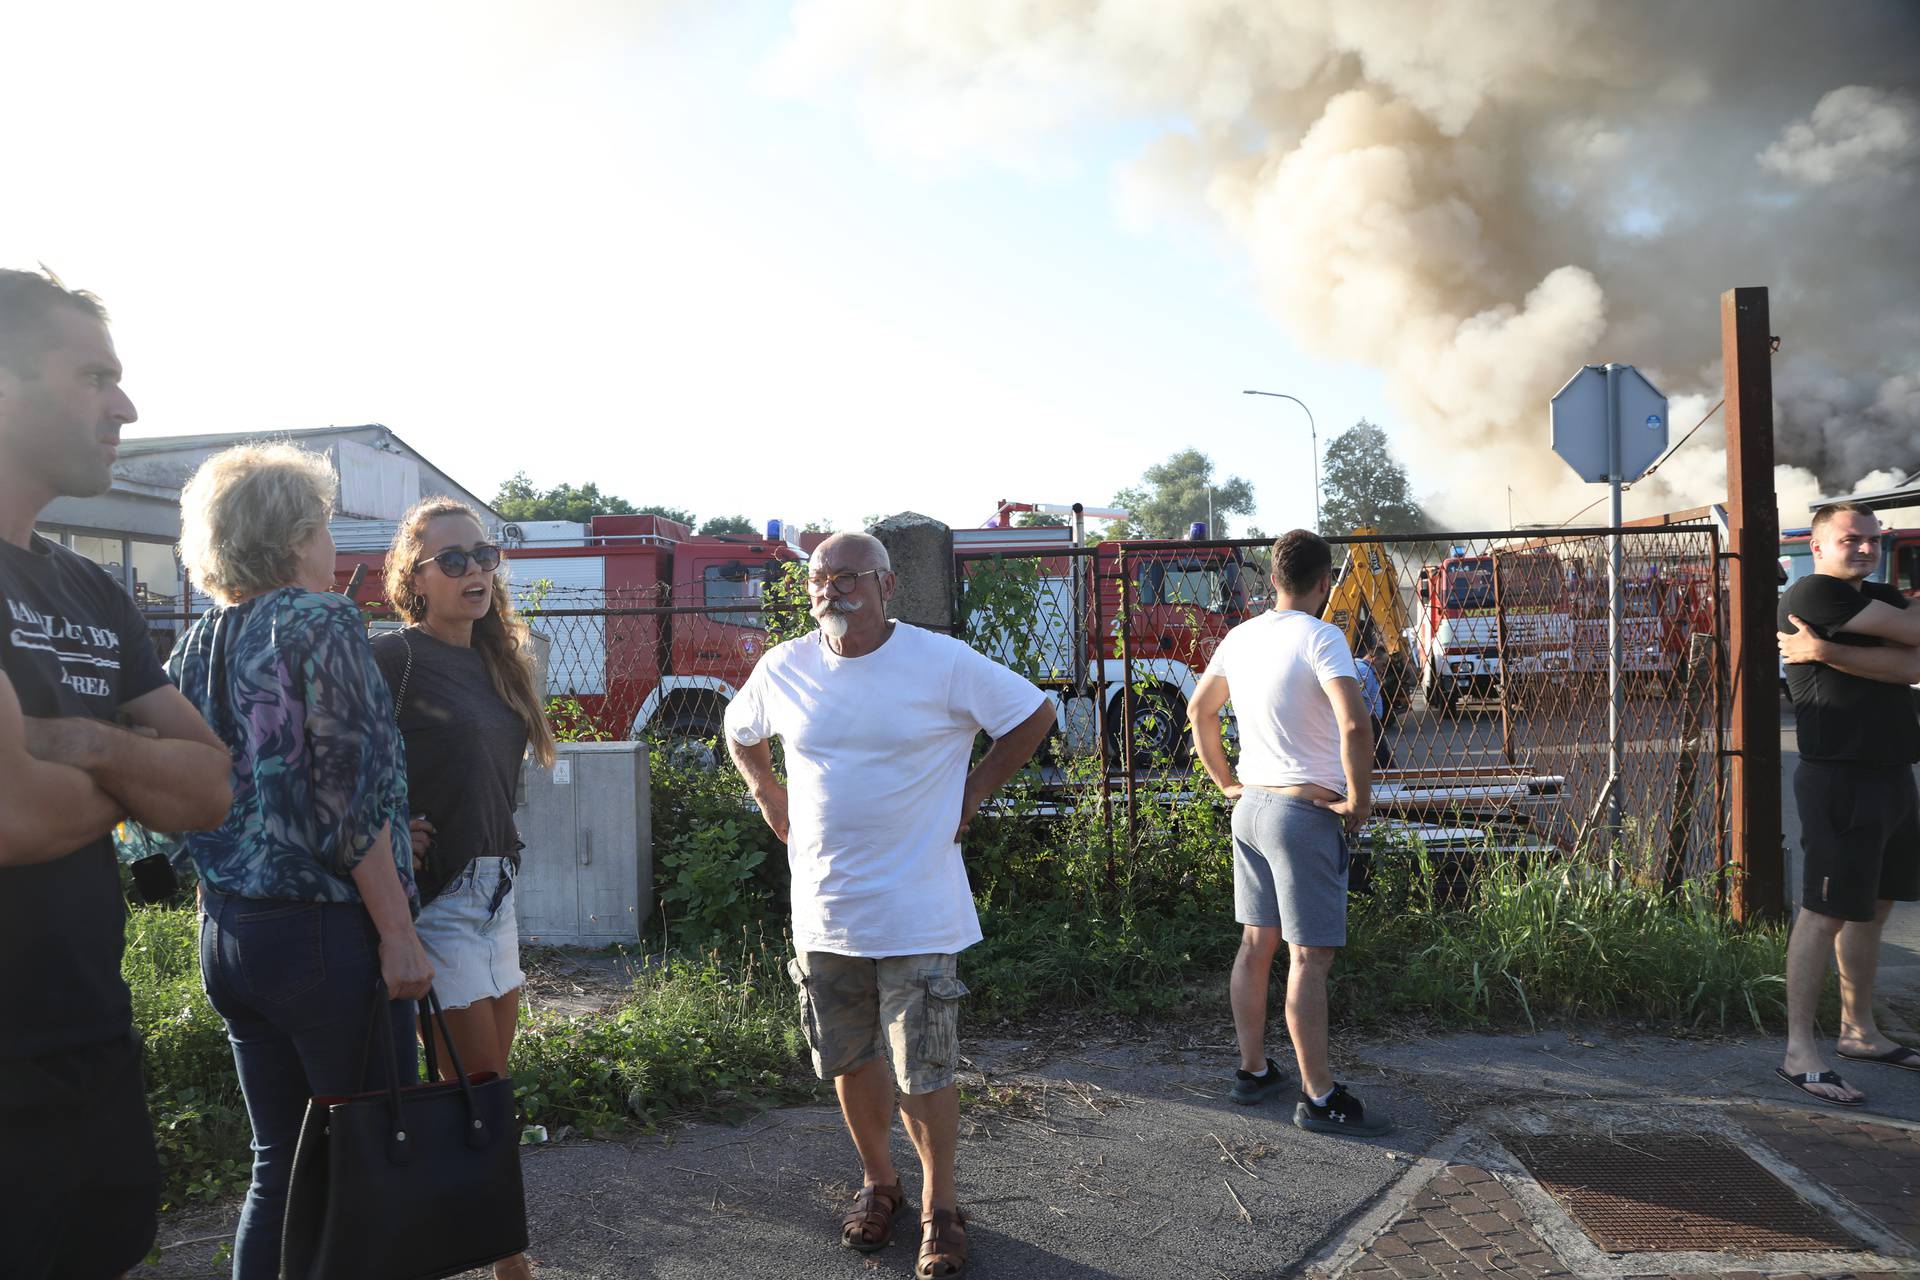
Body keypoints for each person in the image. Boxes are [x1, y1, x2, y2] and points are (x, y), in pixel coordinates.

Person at [724, 532, 1053, 1279]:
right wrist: (766, 793)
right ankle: (881, 1183)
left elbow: (1032, 715)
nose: (831, 590)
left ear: (886, 585)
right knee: (848, 1056)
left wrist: (972, 794)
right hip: (825, 908)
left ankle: (941, 1209)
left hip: (918, 907)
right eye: (819, 578)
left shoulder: (939, 662)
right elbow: (738, 731)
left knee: (924, 1069)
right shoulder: (786, 667)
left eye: (848, 578)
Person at [0, 268, 233, 1279]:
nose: (126, 406)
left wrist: (82, 742)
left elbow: (213, 786)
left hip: (87, 1042)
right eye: (96, 374)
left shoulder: (90, 587)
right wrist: (138, 775)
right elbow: (10, 811)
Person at [166, 444, 432, 1280]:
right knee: (371, 1160)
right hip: (326, 937)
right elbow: (346, 797)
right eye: (322, 527)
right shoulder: (319, 620)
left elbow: (177, 791)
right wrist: (398, 931)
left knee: (276, 1164)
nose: (334, 548)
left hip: (231, 933)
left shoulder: (196, 643)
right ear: (290, 539)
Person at [373, 497, 556, 1280]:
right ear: (413, 579)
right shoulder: (393, 658)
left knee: (486, 1091)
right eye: (453, 560)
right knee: (478, 1093)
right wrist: (387, 831)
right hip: (438, 900)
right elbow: (342, 764)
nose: (476, 570)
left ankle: (478, 1245)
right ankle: (508, 1260)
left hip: (498, 889)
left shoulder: (500, 655)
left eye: (484, 554)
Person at [1189, 529, 1389, 1137]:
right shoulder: (1324, 637)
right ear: (1325, 582)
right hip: (1303, 815)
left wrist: (1225, 782)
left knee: (1257, 944)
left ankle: (1253, 1071)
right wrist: (1359, 798)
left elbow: (1201, 710)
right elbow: (1354, 724)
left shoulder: (1240, 637)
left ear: (1272, 579)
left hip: (1250, 809)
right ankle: (1319, 1095)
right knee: (1309, 955)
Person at [1773, 502, 1920, 1107]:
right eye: (1850, 539)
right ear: (1817, 543)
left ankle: (1859, 1033)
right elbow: (1912, 645)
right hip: (1839, 776)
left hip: (1892, 773)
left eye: (1872, 539)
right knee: (1824, 911)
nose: (1864, 548)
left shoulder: (1875, 596)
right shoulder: (1814, 592)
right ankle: (1798, 1052)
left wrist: (1829, 653)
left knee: (1874, 908)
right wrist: (1889, 656)